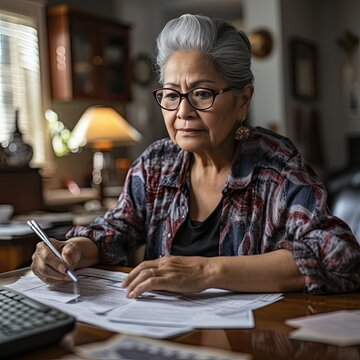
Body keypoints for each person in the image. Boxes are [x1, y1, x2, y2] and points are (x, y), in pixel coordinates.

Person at [32, 14, 360, 297]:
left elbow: (339, 255)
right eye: (172, 95)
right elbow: (116, 231)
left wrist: (205, 272)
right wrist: (72, 251)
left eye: (202, 93)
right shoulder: (156, 164)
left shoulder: (274, 165)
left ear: (242, 99)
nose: (183, 112)